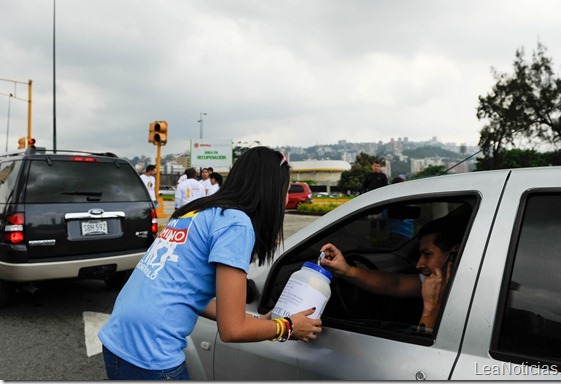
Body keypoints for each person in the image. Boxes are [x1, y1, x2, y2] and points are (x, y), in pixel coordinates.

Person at [98, 147, 322, 380]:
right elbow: (232, 330)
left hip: (119, 338)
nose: (285, 199)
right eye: (285, 190)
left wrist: (257, 321)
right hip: (151, 350)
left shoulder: (197, 211)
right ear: (271, 190)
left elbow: (186, 291)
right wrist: (287, 328)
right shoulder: (236, 224)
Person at [319, 215, 465, 334]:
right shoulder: (438, 280)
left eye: (427, 254)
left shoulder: (472, 289)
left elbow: (424, 350)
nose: (419, 264)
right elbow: (396, 284)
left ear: (454, 253)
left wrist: (432, 306)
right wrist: (347, 270)